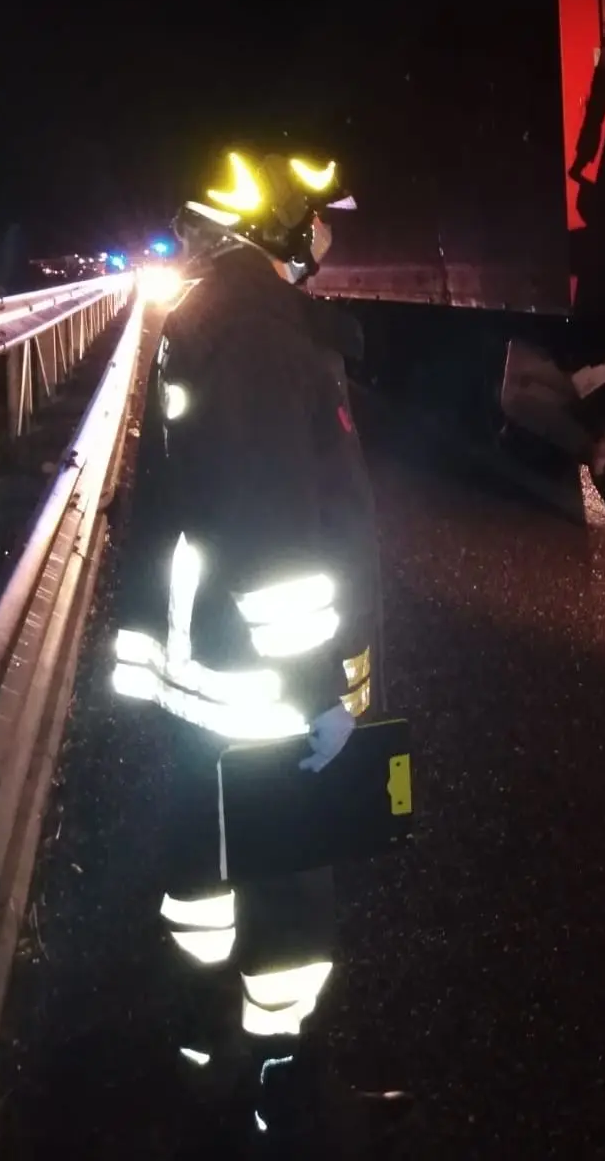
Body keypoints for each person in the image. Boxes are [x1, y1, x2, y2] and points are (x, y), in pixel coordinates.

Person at [113, 150, 409, 1151]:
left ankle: (198, 1047)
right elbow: (272, 518)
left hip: (212, 669)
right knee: (290, 884)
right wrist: (319, 684)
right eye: (321, 214)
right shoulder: (257, 328)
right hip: (262, 682)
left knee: (204, 863)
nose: (329, 232)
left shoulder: (217, 309)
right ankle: (283, 1081)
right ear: (286, 219)